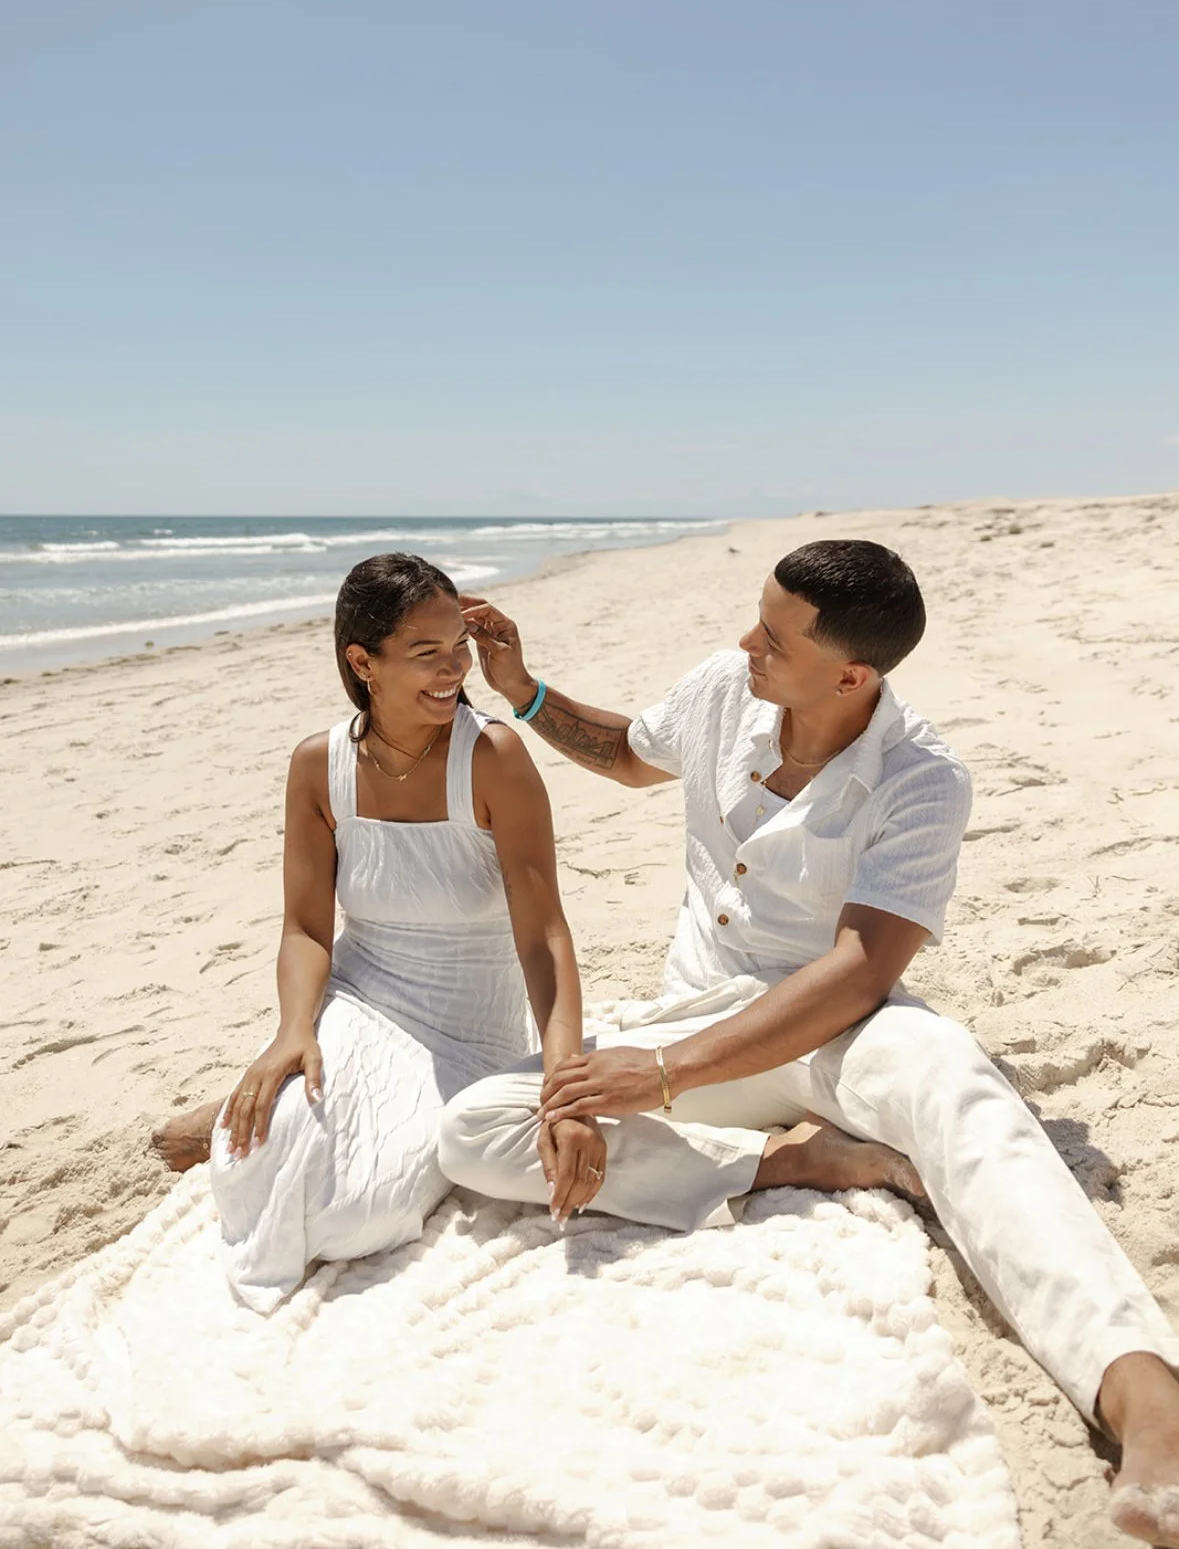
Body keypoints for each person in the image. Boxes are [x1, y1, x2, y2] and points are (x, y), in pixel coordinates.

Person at [441, 539, 1179, 1549]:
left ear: (852, 674)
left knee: (968, 1098)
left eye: (774, 638)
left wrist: (662, 1078)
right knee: (479, 1125)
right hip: (697, 1017)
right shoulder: (719, 688)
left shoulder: (923, 780)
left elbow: (860, 971)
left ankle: (1142, 1396)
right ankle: (790, 1161)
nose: (747, 643)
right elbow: (626, 755)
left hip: (837, 1026)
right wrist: (522, 690)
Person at [154, 552, 608, 1311]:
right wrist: (292, 1029)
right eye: (425, 653)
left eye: (458, 647)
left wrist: (563, 1085)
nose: (452, 670)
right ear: (361, 661)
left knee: (362, 1211)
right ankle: (238, 1112)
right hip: (360, 1000)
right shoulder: (317, 765)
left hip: (466, 1029)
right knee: (256, 1167)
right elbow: (304, 927)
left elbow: (544, 937)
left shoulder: (492, 756)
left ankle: (226, 1119)